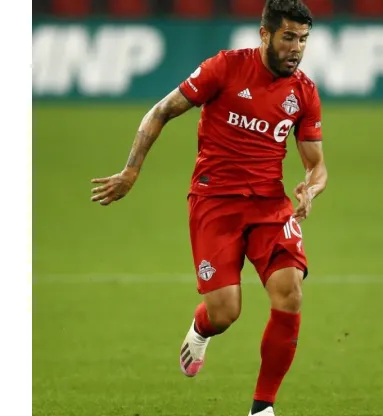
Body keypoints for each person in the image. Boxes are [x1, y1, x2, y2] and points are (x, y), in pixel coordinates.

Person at [90, 1, 326, 415]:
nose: (296, 48)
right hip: (215, 203)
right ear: (265, 34)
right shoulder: (225, 68)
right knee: (225, 312)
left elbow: (317, 164)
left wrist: (311, 188)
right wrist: (130, 171)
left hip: (270, 206)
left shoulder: (304, 91)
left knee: (289, 294)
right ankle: (201, 328)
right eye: (288, 37)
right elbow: (161, 111)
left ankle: (262, 408)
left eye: (303, 40)